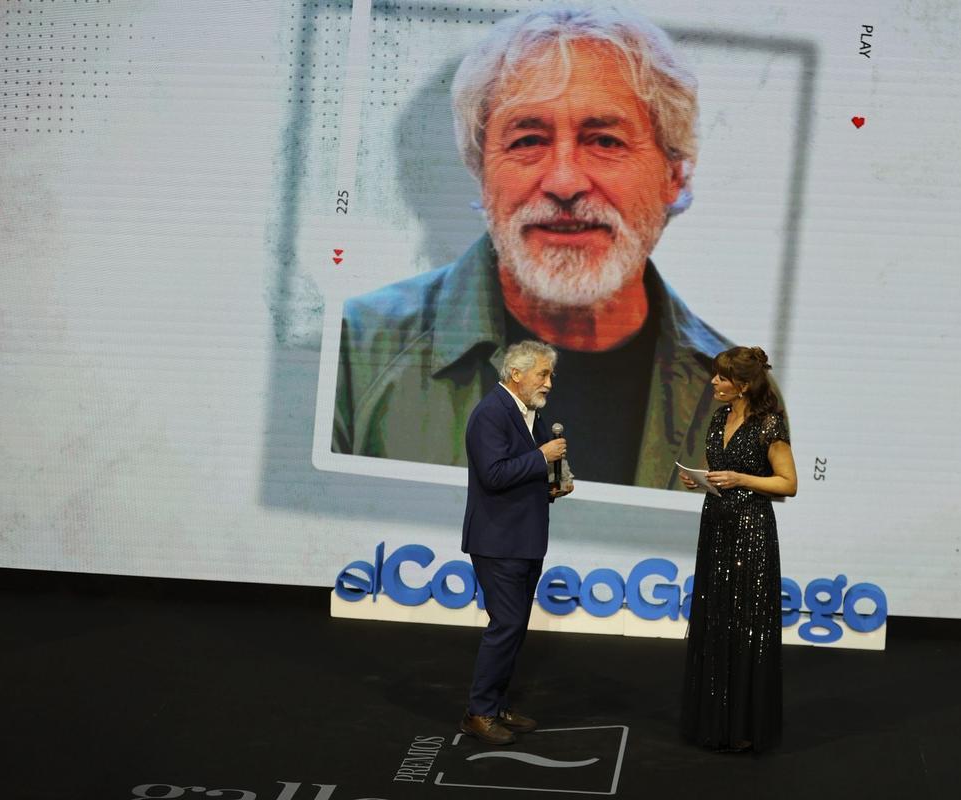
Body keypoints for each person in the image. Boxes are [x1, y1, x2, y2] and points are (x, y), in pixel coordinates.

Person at [332, 6, 739, 488]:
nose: (564, 182)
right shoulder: (353, 355)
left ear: (675, 174)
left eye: (605, 141)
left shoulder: (742, 394)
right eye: (527, 140)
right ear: (481, 172)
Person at [677, 346, 797, 753]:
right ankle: (714, 721)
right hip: (716, 527)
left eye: (722, 377)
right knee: (716, 618)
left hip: (751, 532)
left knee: (746, 623)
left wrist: (741, 478)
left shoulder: (769, 425)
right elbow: (719, 470)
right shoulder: (718, 418)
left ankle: (744, 725)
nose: (713, 382)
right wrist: (701, 480)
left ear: (743, 385)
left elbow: (788, 483)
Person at [460, 340, 571, 746]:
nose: (549, 383)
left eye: (550, 375)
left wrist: (551, 486)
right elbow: (493, 474)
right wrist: (542, 457)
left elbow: (520, 475)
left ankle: (497, 704)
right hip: (498, 541)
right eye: (543, 374)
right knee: (506, 625)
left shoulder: (529, 414)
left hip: (524, 538)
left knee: (515, 626)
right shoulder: (491, 413)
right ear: (516, 373)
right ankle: (479, 713)